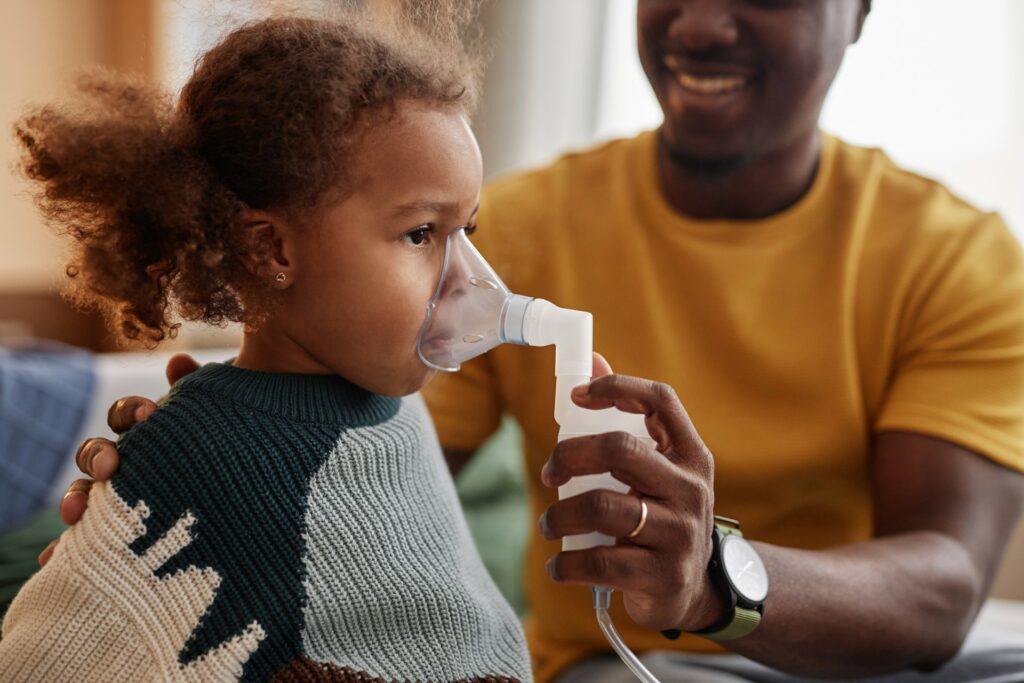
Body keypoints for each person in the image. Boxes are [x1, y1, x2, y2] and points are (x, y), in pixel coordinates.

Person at [53, 0, 1024, 681]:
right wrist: (215, 458)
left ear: (857, 11)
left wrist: (704, 577)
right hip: (634, 664)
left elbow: (942, 589)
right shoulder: (520, 221)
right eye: (428, 234)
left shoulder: (956, 256)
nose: (698, 20)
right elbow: (362, 458)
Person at [0, 7, 532, 682]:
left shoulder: (398, 406)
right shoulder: (192, 451)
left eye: (469, 231)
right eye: (422, 233)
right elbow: (41, 661)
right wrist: (178, 461)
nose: (467, 279)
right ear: (271, 248)